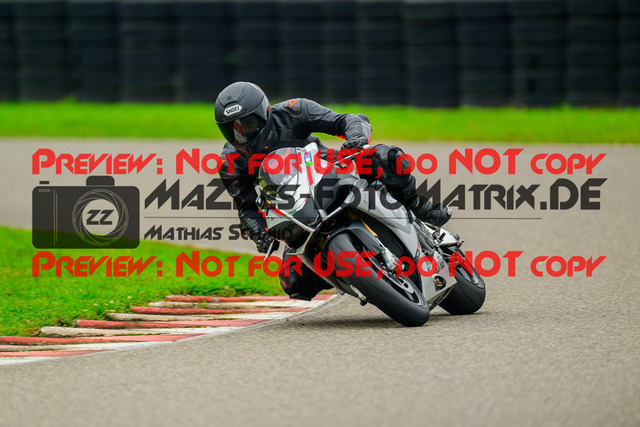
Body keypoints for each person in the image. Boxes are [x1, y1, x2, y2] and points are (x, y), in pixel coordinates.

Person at [215, 81, 451, 300]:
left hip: (333, 172)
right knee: (293, 282)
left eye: (248, 125)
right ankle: (353, 272)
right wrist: (258, 232)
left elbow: (346, 120)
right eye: (231, 130)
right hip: (296, 211)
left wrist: (356, 138)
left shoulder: (293, 112)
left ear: (264, 112)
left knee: (387, 157)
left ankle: (416, 206)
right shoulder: (230, 163)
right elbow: (246, 208)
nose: (241, 136)